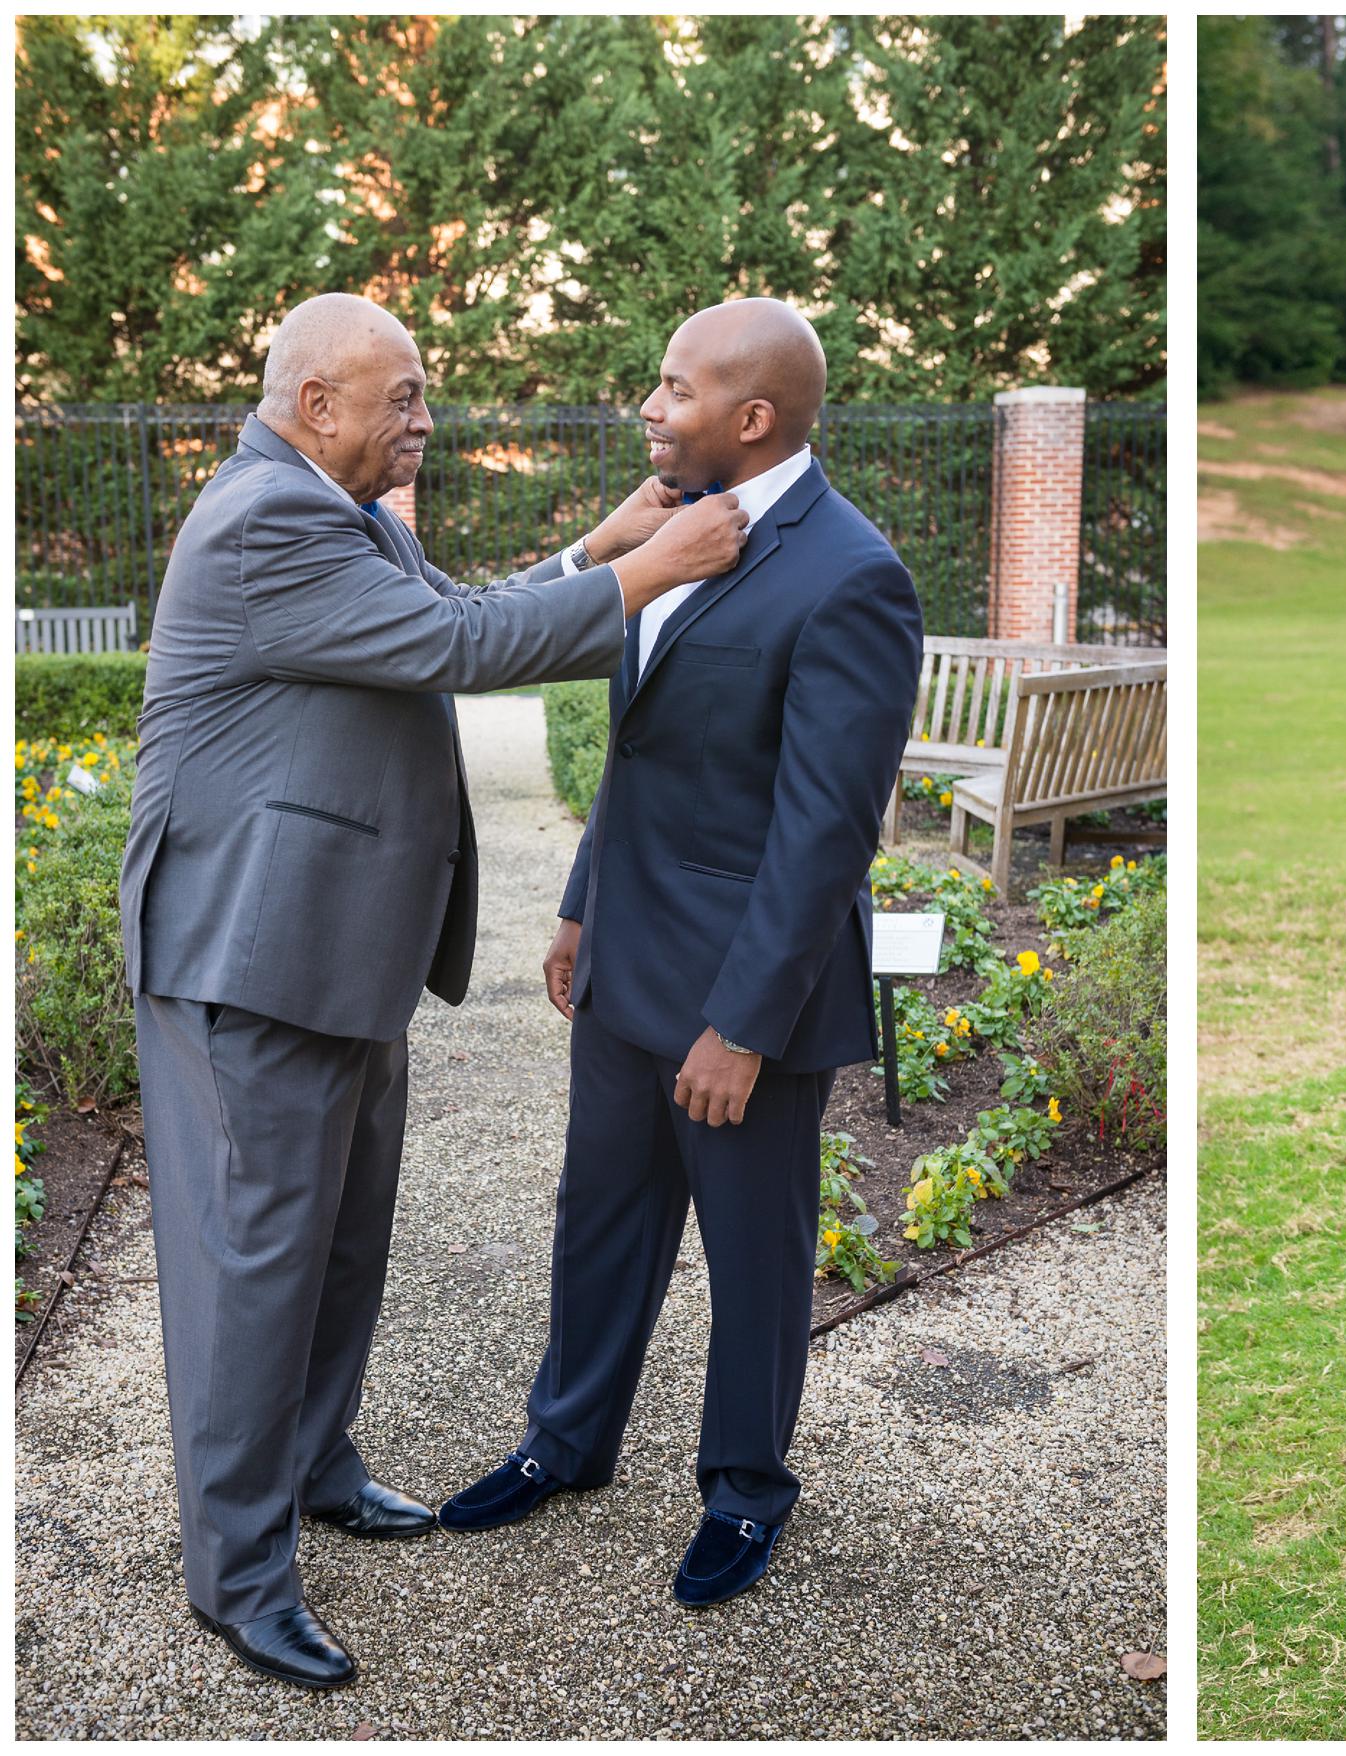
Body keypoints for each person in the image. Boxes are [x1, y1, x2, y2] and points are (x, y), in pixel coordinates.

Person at [120, 292, 750, 1690]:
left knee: (340, 1244)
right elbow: (465, 656)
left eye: (422, 392)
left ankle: (317, 1461)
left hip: (341, 948)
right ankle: (237, 1575)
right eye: (400, 395)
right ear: (313, 402)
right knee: (252, 1271)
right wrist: (660, 571)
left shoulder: (351, 513)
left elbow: (448, 613)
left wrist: (602, 543)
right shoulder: (264, 522)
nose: (425, 416)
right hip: (250, 958)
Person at [436, 300, 923, 1611]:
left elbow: (825, 832)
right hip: (627, 959)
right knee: (599, 1219)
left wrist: (746, 1024)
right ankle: (565, 1443)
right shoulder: (666, 526)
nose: (647, 408)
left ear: (749, 416)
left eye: (671, 388)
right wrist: (583, 903)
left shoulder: (851, 575)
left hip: (744, 997)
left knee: (756, 1250)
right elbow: (636, 751)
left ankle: (748, 1490)